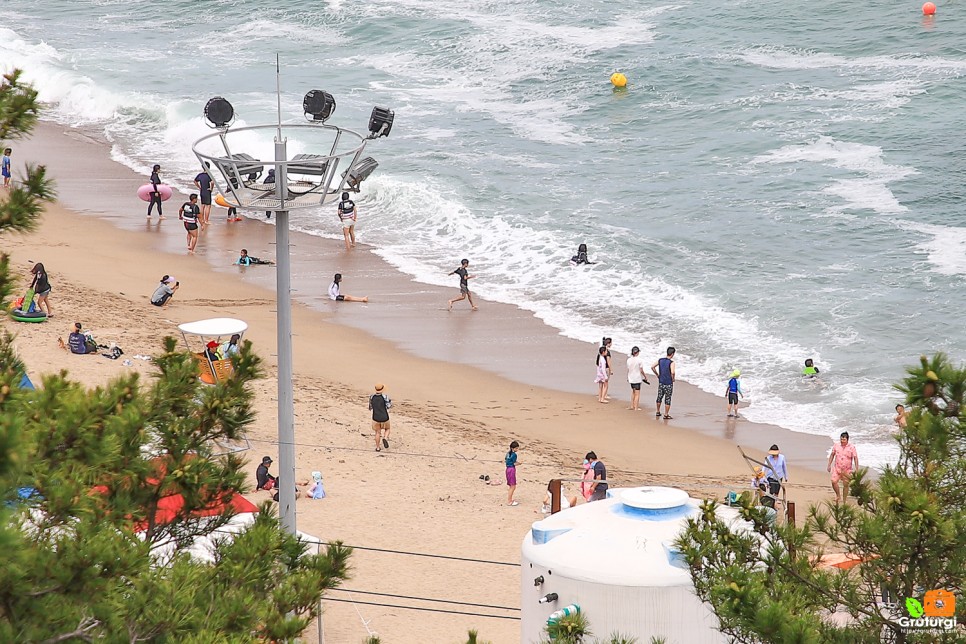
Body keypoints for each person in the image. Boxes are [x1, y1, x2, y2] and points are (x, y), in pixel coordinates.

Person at [827, 431, 859, 504]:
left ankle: (844, 500)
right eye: (841, 439)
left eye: (844, 439)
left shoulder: (852, 447)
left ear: (847, 439)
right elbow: (832, 455)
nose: (842, 441)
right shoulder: (836, 446)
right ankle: (838, 495)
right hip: (837, 468)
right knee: (833, 481)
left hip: (847, 470)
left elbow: (855, 458)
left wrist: (857, 469)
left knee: (846, 485)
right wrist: (829, 465)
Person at [651, 346, 676, 419]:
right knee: (667, 399)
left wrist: (657, 375)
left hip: (661, 382)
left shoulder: (660, 360)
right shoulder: (672, 362)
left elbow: (652, 367)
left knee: (659, 397)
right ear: (672, 354)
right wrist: (673, 378)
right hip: (668, 383)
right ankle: (666, 414)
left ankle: (658, 411)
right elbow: (672, 372)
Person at [369, 383, 392, 451]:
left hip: (375, 417)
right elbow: (389, 406)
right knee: (387, 429)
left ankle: (378, 447)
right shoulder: (385, 396)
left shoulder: (371, 397)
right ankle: (385, 437)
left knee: (377, 432)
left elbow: (370, 407)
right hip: (384, 416)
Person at [626, 345, 650, 410]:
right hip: (637, 378)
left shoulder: (628, 360)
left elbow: (628, 369)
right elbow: (641, 370)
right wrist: (645, 376)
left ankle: (632, 405)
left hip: (631, 377)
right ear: (637, 352)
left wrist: (627, 377)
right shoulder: (639, 360)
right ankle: (636, 407)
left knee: (633, 392)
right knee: (637, 393)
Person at [505, 440, 520, 506]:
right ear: (512, 448)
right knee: (513, 486)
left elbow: (507, 460)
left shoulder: (508, 453)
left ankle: (510, 499)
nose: (517, 449)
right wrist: (519, 463)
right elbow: (514, 463)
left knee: (511, 486)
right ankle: (509, 501)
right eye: (516, 448)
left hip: (507, 469)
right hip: (511, 470)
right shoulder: (514, 455)